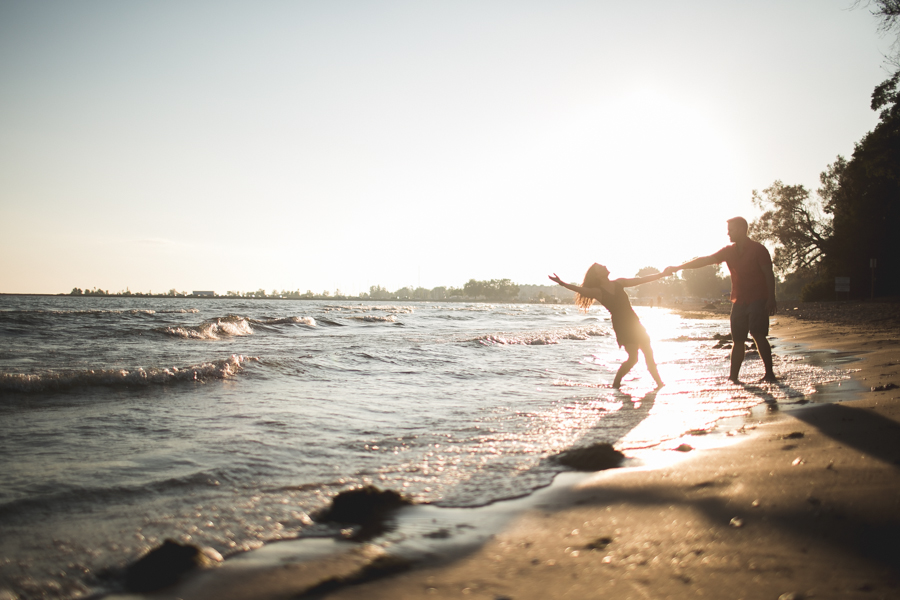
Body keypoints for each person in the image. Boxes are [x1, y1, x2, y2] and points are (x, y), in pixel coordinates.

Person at [664, 216, 777, 383]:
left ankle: (769, 373)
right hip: (738, 300)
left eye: (731, 230)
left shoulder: (758, 250)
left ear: (740, 230)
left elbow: (769, 274)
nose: (728, 233)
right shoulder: (728, 251)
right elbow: (705, 260)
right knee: (737, 339)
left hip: (758, 299)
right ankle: (733, 378)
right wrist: (679, 267)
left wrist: (771, 298)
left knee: (757, 334)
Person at [549, 264, 668, 389]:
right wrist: (562, 283)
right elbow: (581, 290)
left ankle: (659, 383)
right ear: (597, 275)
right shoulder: (598, 291)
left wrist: (661, 274)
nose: (605, 266)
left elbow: (640, 280)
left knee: (649, 353)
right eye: (601, 267)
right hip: (622, 326)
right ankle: (616, 384)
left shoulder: (619, 283)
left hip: (634, 322)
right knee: (633, 358)